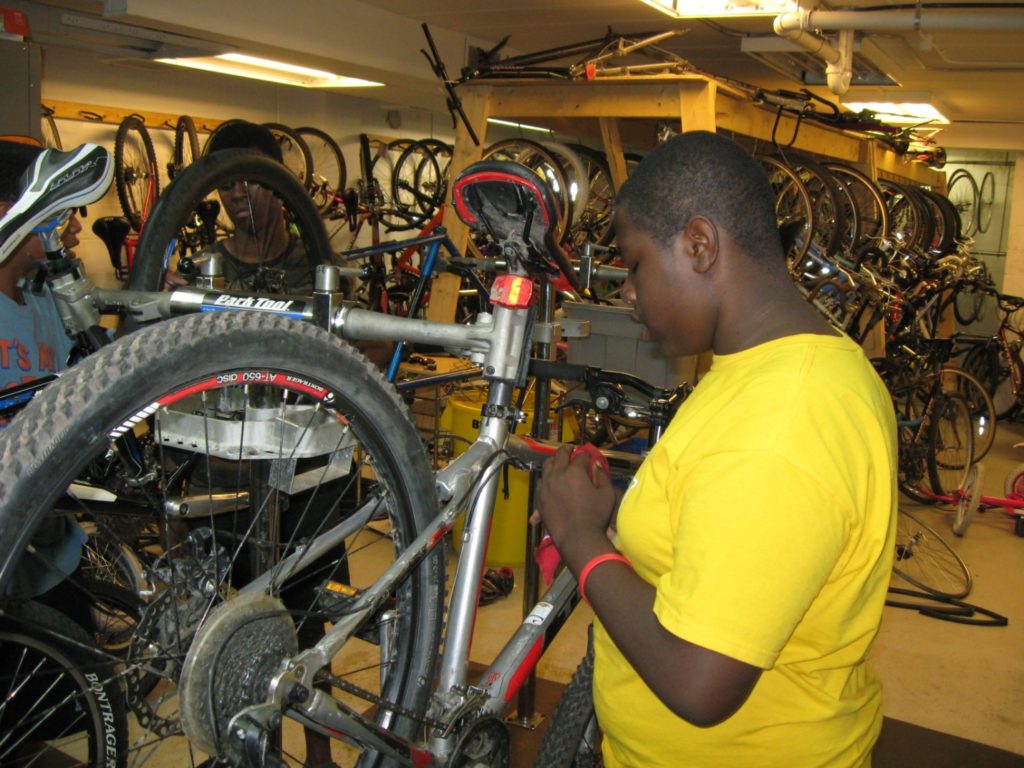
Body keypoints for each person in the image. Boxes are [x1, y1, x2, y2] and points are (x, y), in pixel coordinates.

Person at [534, 131, 898, 767]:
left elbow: (699, 683)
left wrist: (580, 536)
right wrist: (627, 514)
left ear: (698, 246)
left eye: (635, 263)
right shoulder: (762, 367)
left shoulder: (784, 420)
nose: (626, 291)